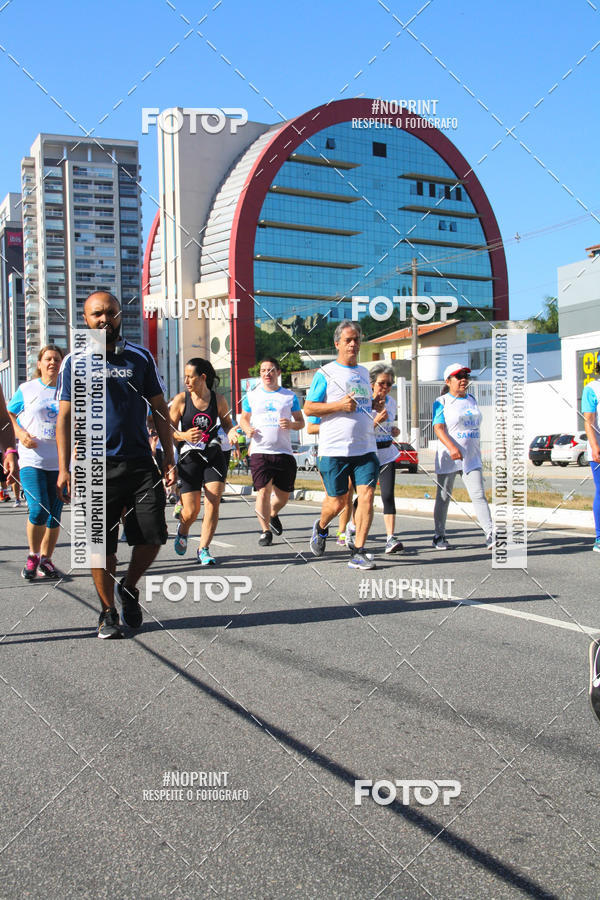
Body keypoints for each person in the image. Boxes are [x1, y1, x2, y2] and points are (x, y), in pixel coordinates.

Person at [56, 291, 175, 639]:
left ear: (120, 316)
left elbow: (159, 409)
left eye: (110, 312)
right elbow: (64, 418)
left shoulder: (140, 358)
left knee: (153, 535)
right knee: (99, 545)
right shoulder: (73, 362)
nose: (103, 319)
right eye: (96, 314)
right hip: (93, 465)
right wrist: (64, 468)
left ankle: (129, 586)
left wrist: (168, 456)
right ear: (85, 319)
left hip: (140, 462)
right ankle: (108, 611)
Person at [304, 321, 379, 570]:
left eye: (356, 339)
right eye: (348, 340)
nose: (353, 344)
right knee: (337, 503)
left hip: (365, 448)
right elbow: (309, 408)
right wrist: (339, 406)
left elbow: (363, 408)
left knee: (367, 496)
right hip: (334, 450)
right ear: (337, 344)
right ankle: (321, 526)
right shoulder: (325, 373)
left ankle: (358, 550)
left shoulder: (364, 373)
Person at [169, 358, 237, 565]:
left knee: (213, 502)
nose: (186, 381)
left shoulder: (218, 400)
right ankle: (183, 529)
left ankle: (203, 549)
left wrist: (232, 433)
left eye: (190, 377)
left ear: (203, 378)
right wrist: (184, 436)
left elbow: (226, 423)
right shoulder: (181, 400)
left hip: (213, 455)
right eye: (185, 377)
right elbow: (168, 432)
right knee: (191, 511)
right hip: (189, 458)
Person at [7, 346, 65, 579]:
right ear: (39, 363)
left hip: (60, 462)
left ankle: (46, 560)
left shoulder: (68, 390)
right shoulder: (27, 388)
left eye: (57, 359)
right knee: (39, 508)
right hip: (32, 459)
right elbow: (9, 414)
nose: (53, 362)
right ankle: (33, 556)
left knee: (54, 514)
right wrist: (20, 433)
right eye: (48, 359)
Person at [239, 357, 304, 545]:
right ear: (260, 374)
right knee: (263, 492)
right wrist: (247, 428)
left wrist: (291, 424)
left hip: (284, 452)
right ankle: (265, 531)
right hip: (260, 451)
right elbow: (244, 418)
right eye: (263, 371)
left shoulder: (289, 396)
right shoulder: (252, 396)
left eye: (271, 370)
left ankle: (273, 513)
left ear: (278, 373)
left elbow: (301, 422)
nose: (267, 373)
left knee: (283, 496)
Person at [432, 363, 493, 550]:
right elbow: (438, 428)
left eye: (466, 375)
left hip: (471, 457)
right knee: (443, 497)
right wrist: (452, 447)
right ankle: (439, 536)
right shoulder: (441, 402)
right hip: (448, 457)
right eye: (459, 376)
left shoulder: (472, 399)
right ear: (448, 381)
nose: (464, 379)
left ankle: (491, 534)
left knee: (479, 495)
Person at [306, 415, 354, 548]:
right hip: (330, 454)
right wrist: (337, 428)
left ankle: (342, 532)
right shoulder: (324, 402)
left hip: (353, 453)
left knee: (348, 493)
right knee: (333, 500)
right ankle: (321, 526)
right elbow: (310, 428)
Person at [370, 363, 404, 554]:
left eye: (389, 384)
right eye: (382, 383)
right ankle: (352, 527)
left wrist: (393, 430)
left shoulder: (391, 402)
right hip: (368, 454)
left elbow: (388, 425)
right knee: (365, 497)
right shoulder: (365, 401)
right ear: (373, 383)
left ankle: (390, 538)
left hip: (387, 453)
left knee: (388, 495)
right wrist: (376, 421)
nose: (385, 388)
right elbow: (360, 430)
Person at [582, 361, 600, 552]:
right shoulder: (592, 388)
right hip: (599, 447)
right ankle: (599, 538)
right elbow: (589, 421)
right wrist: (595, 446)